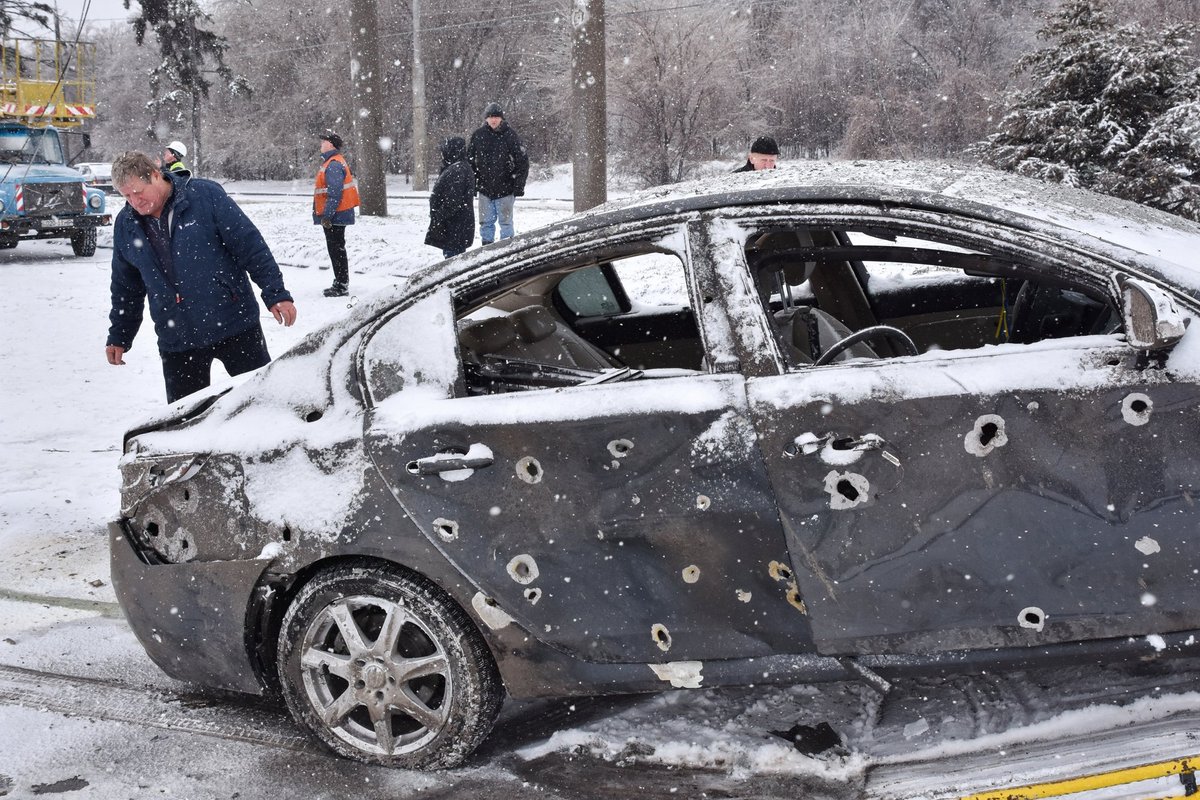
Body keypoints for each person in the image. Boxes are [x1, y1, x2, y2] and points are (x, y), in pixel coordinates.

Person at [105, 151, 297, 404]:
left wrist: (276, 293)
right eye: (126, 196)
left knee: (262, 403)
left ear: (154, 175)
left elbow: (250, 246)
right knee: (185, 420)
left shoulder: (204, 197)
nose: (134, 202)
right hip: (177, 337)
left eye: (138, 192)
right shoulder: (126, 224)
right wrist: (120, 335)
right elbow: (125, 286)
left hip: (234, 323)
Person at [468, 102, 528, 244]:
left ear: (501, 118)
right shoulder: (478, 135)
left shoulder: (510, 135)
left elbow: (522, 162)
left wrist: (518, 185)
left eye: (496, 117)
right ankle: (486, 248)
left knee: (506, 222)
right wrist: (473, 183)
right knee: (485, 223)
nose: (493, 120)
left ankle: (506, 249)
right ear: (486, 119)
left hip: (506, 188)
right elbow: (470, 161)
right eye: (490, 117)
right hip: (484, 188)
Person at [314, 131, 360, 297]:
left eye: (323, 141)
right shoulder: (332, 162)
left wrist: (327, 215)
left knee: (336, 249)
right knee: (337, 249)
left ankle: (341, 285)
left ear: (331, 144)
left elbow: (335, 193)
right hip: (338, 214)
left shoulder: (333, 164)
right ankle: (340, 282)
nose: (321, 144)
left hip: (336, 215)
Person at [425, 136, 475, 259]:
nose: (443, 153)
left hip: (454, 227)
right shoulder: (459, 167)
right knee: (457, 258)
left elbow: (453, 201)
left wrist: (438, 216)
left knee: (453, 260)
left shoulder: (457, 170)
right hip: (457, 226)